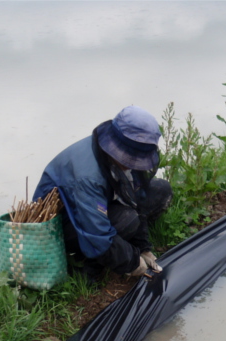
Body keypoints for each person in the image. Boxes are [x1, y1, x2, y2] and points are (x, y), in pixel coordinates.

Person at [33, 105, 172, 279]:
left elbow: (136, 197)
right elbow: (96, 233)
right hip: (63, 223)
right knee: (127, 220)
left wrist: (143, 247)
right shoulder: (88, 177)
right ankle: (86, 260)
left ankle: (121, 245)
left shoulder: (126, 150)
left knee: (160, 190)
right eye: (129, 157)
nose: (132, 163)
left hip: (96, 202)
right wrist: (132, 261)